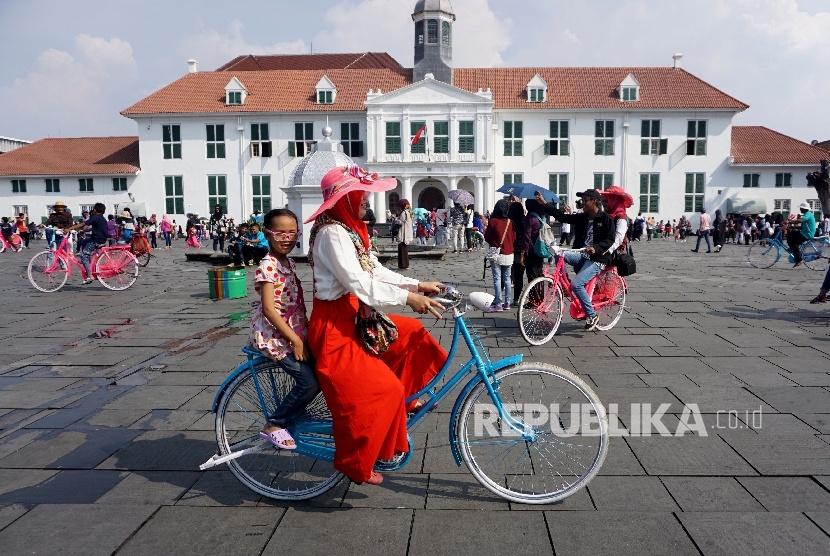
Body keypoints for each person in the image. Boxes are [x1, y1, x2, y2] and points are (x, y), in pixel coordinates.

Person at [305, 165, 446, 485]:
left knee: (412, 334)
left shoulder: (349, 229)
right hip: (334, 329)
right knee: (385, 389)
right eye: (360, 195)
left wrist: (417, 284)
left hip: (355, 317)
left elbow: (374, 272)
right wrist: (407, 299)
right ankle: (358, 459)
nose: (367, 199)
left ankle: (406, 402)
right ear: (345, 199)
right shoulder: (331, 234)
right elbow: (358, 283)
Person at [250, 208, 319, 450]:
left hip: (293, 331)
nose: (286, 238)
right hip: (275, 336)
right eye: (279, 233)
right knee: (309, 382)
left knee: (321, 370)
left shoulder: (288, 262)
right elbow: (269, 309)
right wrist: (296, 341)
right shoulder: (268, 265)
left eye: (292, 233)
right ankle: (275, 424)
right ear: (267, 234)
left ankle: (296, 412)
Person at [535, 189, 616, 331]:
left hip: (597, 259)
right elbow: (562, 216)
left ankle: (592, 315)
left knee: (577, 284)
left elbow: (610, 239)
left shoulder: (605, 218)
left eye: (585, 200)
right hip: (581, 254)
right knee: (559, 253)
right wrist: (544, 204)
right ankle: (565, 285)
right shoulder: (582, 217)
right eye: (581, 200)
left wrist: (596, 248)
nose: (582, 203)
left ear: (594, 201)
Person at [63, 203, 108, 284]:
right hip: (100, 239)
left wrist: (69, 229)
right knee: (83, 242)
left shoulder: (95, 217)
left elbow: (83, 224)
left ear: (94, 210)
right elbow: (95, 229)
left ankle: (90, 275)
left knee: (83, 256)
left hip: (96, 240)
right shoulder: (102, 218)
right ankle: (87, 261)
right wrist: (83, 231)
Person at [484, 199, 516, 311]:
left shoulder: (493, 221)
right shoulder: (510, 222)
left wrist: (494, 242)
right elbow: (514, 237)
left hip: (497, 253)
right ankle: (507, 303)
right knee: (507, 279)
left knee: (497, 279)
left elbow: (486, 237)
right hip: (509, 253)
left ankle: (498, 303)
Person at [599, 186, 633, 254]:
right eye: (603, 201)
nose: (603, 204)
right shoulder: (606, 215)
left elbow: (619, 236)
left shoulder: (620, 216)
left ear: (614, 202)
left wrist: (608, 250)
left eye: (606, 201)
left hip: (614, 251)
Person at [507, 196, 526, 306]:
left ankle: (505, 300)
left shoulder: (509, 223)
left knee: (507, 276)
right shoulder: (524, 223)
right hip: (521, 253)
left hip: (509, 252)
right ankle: (516, 299)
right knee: (519, 277)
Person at [787, 202, 817, 267]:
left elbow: (800, 220)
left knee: (795, 243)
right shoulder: (806, 214)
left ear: (803, 209)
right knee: (790, 234)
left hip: (807, 234)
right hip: (804, 232)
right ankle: (793, 249)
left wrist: (789, 221)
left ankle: (799, 259)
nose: (800, 209)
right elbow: (801, 227)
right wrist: (791, 227)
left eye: (801, 208)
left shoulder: (808, 214)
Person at [397, 199, 413, 269]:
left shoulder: (404, 212)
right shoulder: (409, 212)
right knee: (404, 250)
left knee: (402, 250)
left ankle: (404, 265)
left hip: (404, 234)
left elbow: (400, 222)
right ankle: (403, 265)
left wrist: (394, 218)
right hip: (406, 233)